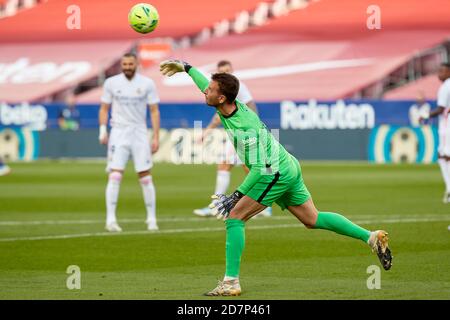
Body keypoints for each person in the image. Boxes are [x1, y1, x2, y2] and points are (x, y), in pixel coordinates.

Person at [160, 60, 393, 296]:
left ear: (221, 98)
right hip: (288, 165)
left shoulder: (244, 126)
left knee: (235, 217)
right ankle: (371, 237)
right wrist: (186, 68)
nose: (205, 91)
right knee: (312, 218)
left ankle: (231, 282)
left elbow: (261, 169)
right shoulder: (230, 104)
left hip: (274, 172)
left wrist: (237, 195)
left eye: (210, 90)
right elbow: (206, 85)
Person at [193, 60, 272, 218]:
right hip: (234, 135)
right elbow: (218, 115)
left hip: (246, 133)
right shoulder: (218, 90)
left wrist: (252, 130)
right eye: (223, 71)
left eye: (228, 70)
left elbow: (251, 107)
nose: (226, 73)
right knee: (225, 165)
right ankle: (216, 204)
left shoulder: (238, 87)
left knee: (252, 168)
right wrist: (207, 131)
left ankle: (264, 204)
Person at [99, 53, 160, 232]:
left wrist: (155, 136)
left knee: (146, 177)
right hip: (118, 132)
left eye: (130, 64)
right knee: (115, 175)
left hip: (139, 131)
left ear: (137, 64)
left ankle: (151, 219)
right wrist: (103, 130)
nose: (127, 67)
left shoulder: (147, 83)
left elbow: (154, 111)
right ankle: (110, 220)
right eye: (124, 64)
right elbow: (104, 108)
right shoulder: (111, 83)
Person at [419, 63, 450, 203]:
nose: (439, 73)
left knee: (446, 156)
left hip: (447, 124)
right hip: (445, 124)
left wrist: (425, 115)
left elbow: (440, 108)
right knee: (442, 155)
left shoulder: (446, 86)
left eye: (442, 70)